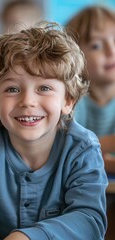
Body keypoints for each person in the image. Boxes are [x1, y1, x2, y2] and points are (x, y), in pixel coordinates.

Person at [0, 21, 108, 240]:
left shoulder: (83, 147)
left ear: (68, 100)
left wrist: (28, 237)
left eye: (44, 88)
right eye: (12, 89)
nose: (27, 101)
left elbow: (90, 219)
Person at [65, 6, 115, 240]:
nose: (111, 50)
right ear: (75, 56)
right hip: (74, 201)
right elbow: (67, 154)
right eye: (96, 45)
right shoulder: (72, 101)